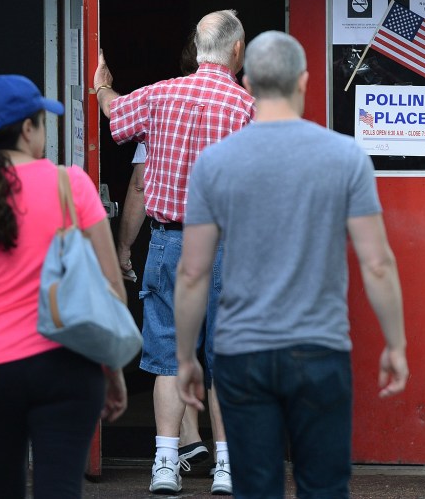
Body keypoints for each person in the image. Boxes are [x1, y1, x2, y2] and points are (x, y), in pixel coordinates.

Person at [174, 31, 409, 498]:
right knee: (323, 487)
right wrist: (395, 344)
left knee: (255, 488)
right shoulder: (345, 157)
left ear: (248, 82)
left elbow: (193, 272)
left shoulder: (215, 163)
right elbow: (378, 262)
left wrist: (185, 357)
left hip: (243, 353)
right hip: (319, 350)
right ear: (303, 81)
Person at [0, 75, 129, 498]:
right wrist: (113, 369)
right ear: (28, 129)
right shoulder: (71, 184)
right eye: (42, 122)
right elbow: (111, 286)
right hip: (69, 365)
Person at [94, 10, 255, 495]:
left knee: (166, 353)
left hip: (169, 240)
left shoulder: (162, 94)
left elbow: (113, 113)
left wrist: (102, 84)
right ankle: (226, 467)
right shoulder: (246, 108)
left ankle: (164, 464)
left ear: (198, 48)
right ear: (236, 51)